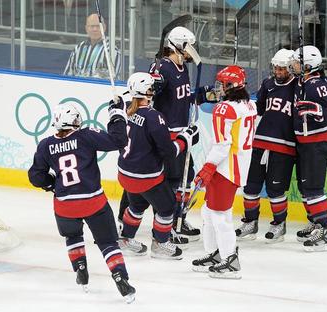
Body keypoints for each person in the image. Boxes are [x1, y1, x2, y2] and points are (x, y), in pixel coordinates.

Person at [27, 101, 136, 302]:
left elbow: (35, 176)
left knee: (73, 236)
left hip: (64, 205)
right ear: (73, 122)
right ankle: (120, 276)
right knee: (107, 243)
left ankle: (81, 269)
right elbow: (118, 141)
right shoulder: (85, 135)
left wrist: (52, 184)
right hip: (92, 201)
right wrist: (117, 113)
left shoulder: (45, 145)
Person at [118, 26, 214, 245]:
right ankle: (163, 228)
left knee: (184, 180)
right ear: (178, 45)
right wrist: (155, 82)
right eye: (189, 46)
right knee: (165, 184)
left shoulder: (182, 68)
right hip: (167, 137)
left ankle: (178, 220)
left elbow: (182, 98)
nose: (193, 50)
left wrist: (205, 94)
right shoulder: (163, 67)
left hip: (182, 134)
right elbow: (150, 89)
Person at [116, 72, 199, 259]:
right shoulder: (154, 117)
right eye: (152, 88)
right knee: (167, 206)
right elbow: (168, 152)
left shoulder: (126, 110)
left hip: (125, 174)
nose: (155, 91)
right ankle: (160, 243)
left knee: (137, 205)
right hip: (145, 176)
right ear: (147, 92)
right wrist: (185, 139)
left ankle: (126, 239)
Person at [191, 65, 257, 279]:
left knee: (220, 215)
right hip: (238, 165)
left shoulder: (224, 109)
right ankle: (216, 254)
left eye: (222, 84)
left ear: (231, 86)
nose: (218, 88)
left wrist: (208, 167)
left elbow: (222, 144)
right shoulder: (250, 105)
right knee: (208, 212)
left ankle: (231, 261)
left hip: (225, 167)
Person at [235, 48, 297, 243]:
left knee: (275, 189)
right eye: (276, 68)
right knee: (251, 185)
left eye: (282, 69)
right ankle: (250, 223)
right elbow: (259, 109)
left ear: (290, 68)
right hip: (260, 142)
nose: (278, 72)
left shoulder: (299, 87)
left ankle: (279, 224)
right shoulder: (268, 84)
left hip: (285, 146)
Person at [290, 45, 327, 252]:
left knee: (313, 187)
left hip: (317, 142)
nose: (293, 65)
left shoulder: (316, 85)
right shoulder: (302, 82)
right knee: (305, 187)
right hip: (305, 142)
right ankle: (315, 222)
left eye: (296, 61)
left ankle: (324, 231)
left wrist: (316, 109)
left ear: (307, 65)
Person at [63, 13, 121, 79]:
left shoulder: (111, 51)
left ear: (104, 28)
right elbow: (67, 76)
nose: (95, 29)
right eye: (92, 26)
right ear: (86, 29)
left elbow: (113, 80)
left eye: (98, 26)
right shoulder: (78, 49)